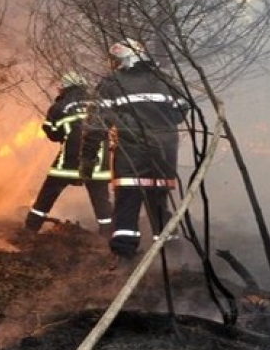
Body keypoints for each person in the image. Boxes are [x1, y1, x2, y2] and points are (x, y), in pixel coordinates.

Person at [80, 39, 189, 269]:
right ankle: (173, 256)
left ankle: (123, 257)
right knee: (158, 201)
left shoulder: (113, 83)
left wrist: (88, 158)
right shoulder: (164, 79)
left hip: (132, 152)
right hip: (165, 152)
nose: (114, 64)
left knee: (128, 202)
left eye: (116, 60)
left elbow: (97, 122)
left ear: (125, 59)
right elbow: (181, 112)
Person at [19, 71, 113, 239]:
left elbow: (53, 134)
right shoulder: (100, 103)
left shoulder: (60, 106)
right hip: (98, 163)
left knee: (47, 195)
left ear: (64, 88)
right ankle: (108, 237)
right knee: (102, 203)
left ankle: (29, 230)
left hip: (69, 163)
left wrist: (66, 133)